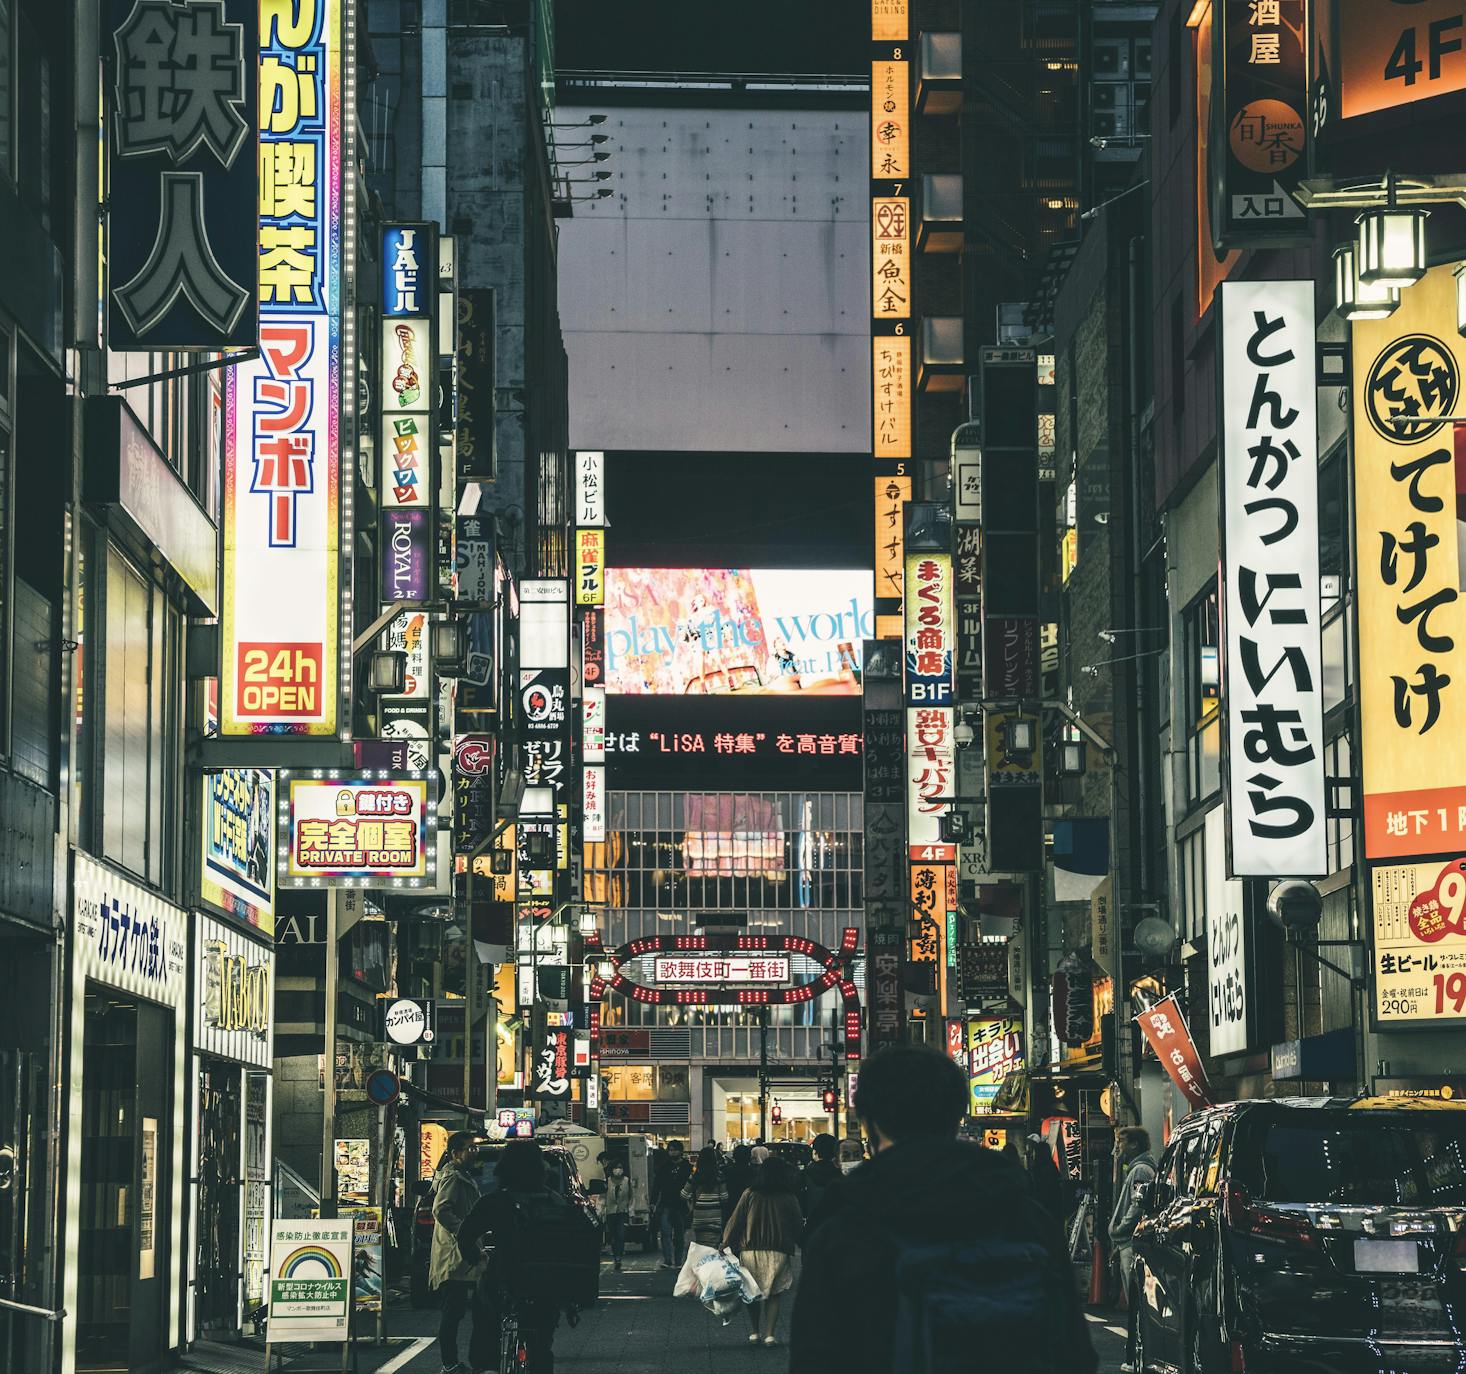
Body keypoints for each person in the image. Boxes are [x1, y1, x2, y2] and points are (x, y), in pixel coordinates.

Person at [791, 1043, 1096, 1374]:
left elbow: (816, 1356)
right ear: (956, 1114)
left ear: (870, 1122)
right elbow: (1073, 1353)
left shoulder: (844, 1231)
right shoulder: (1026, 1217)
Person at [457, 1140, 596, 1374]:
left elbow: (466, 1235)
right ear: (540, 1168)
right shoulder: (558, 1202)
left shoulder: (495, 1201)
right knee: (541, 1345)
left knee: (485, 1316)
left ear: (503, 1168)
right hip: (549, 1282)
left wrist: (477, 1259)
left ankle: (487, 1366)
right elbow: (579, 1243)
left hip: (506, 1278)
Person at [723, 1155, 803, 1347]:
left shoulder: (750, 1194)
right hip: (779, 1249)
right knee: (775, 1293)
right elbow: (798, 1223)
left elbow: (736, 1221)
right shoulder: (788, 1196)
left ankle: (754, 1332)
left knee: (752, 1292)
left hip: (750, 1249)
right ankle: (770, 1335)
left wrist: (725, 1243)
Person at [428, 1132, 488, 1374]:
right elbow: (441, 1210)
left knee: (457, 1309)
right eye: (468, 1148)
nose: (474, 1152)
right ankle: (449, 1363)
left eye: (475, 1148)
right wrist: (464, 1232)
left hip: (460, 1251)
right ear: (455, 1154)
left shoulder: (460, 1175)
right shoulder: (453, 1178)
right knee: (453, 1311)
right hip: (454, 1253)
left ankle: (452, 1362)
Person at [1107, 1126, 1156, 1297]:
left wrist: (1120, 1229)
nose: (1118, 1146)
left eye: (1121, 1141)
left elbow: (1137, 1206)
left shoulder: (1140, 1170)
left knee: (1135, 1296)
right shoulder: (1137, 1169)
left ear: (1134, 1144)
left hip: (1132, 1242)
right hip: (1127, 1242)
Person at [650, 1140, 691, 1269]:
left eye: (675, 1150)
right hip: (666, 1204)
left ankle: (678, 1260)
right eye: (671, 1150)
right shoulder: (664, 1167)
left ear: (680, 1151)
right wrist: (653, 1201)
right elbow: (657, 1186)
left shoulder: (687, 1166)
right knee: (665, 1233)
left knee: (679, 1234)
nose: (673, 1152)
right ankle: (668, 1259)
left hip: (681, 1205)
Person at [684, 1145, 729, 1247]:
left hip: (699, 1216)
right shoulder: (719, 1176)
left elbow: (684, 1194)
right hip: (715, 1216)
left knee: (701, 1247)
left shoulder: (695, 1176)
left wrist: (691, 1203)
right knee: (713, 1248)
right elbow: (724, 1197)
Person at [800, 1133, 841, 1218]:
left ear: (814, 1151)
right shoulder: (841, 1175)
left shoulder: (804, 1174)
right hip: (836, 1223)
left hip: (813, 1224)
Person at [603, 1158, 632, 1271]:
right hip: (610, 1213)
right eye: (616, 1168)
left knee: (621, 1235)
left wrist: (630, 1209)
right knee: (614, 1237)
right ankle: (616, 1257)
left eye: (620, 1167)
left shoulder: (626, 1181)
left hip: (622, 1212)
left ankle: (619, 1258)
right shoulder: (607, 1181)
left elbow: (631, 1196)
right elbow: (603, 1196)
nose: (618, 1170)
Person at [725, 1143, 756, 1215]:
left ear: (734, 1156)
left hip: (732, 1204)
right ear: (749, 1157)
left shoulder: (727, 1171)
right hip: (749, 1206)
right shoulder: (754, 1172)